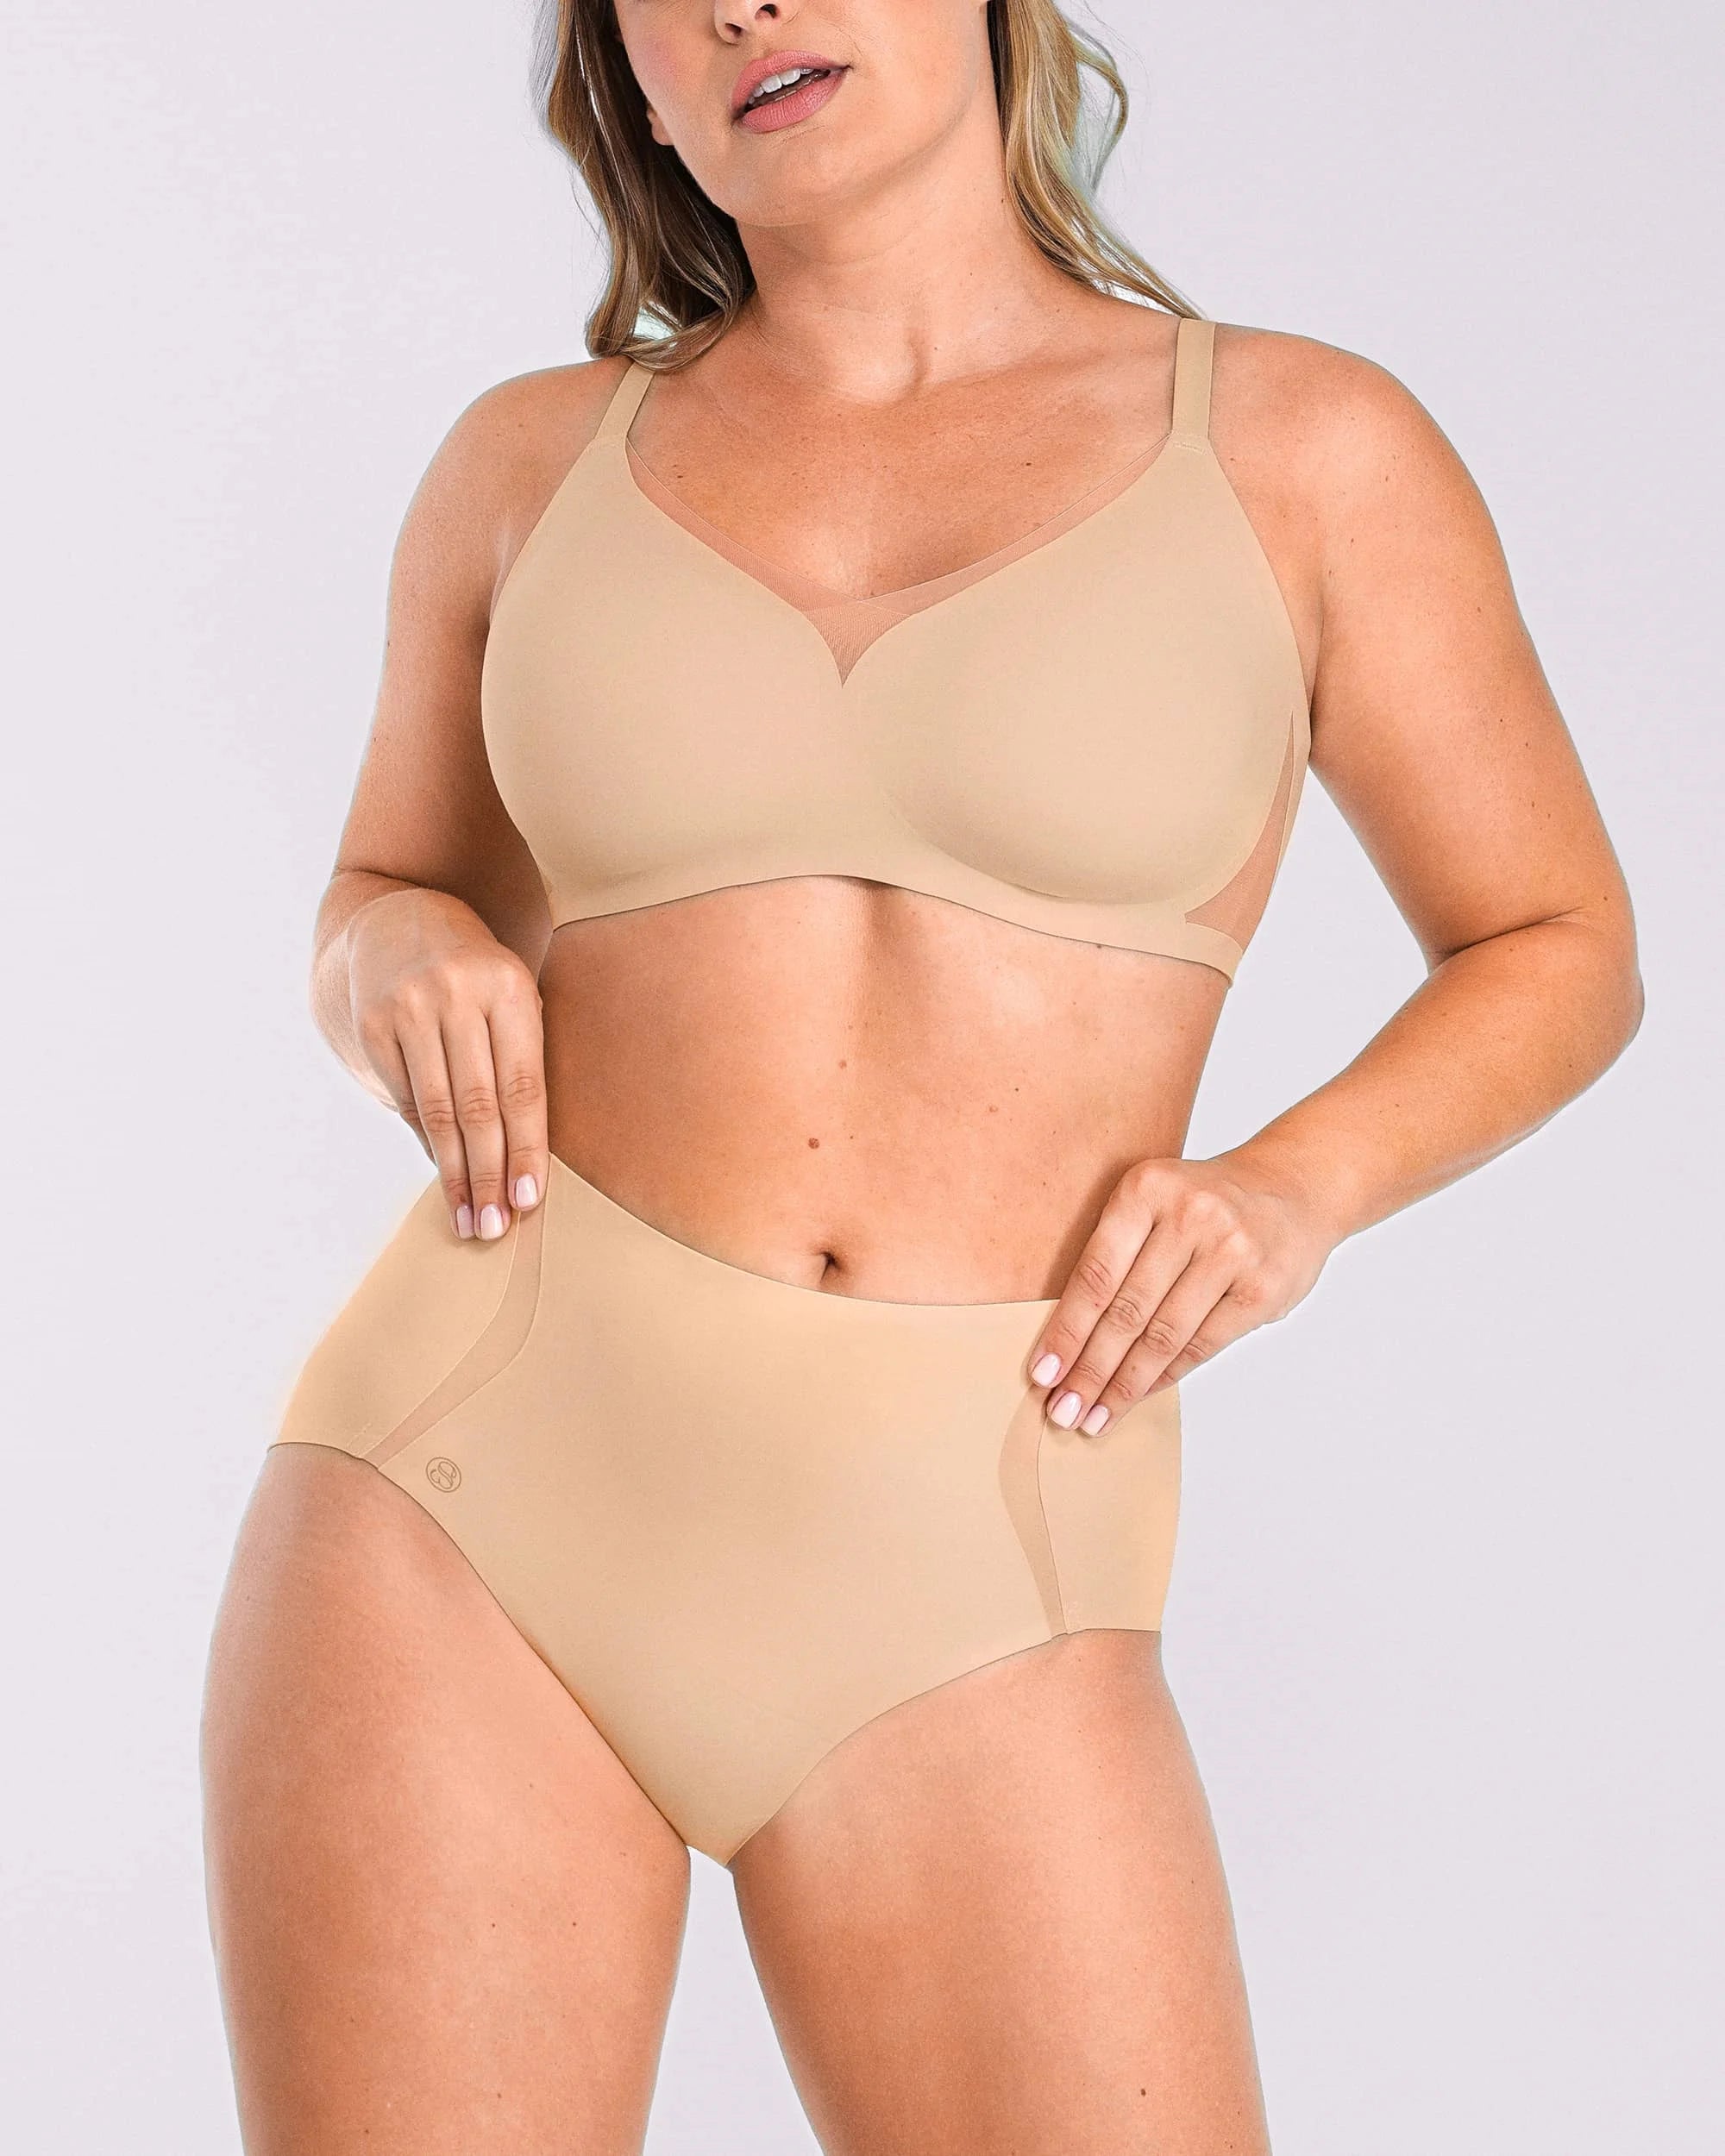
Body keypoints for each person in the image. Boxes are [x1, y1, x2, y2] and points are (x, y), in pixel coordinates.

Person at [199, 3, 1642, 2149]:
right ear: (629, 81)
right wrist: (387, 949)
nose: (744, 7)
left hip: (977, 1548)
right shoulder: (526, 464)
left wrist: (1296, 1183)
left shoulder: (1303, 451)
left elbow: (1556, 939)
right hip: (469, 1489)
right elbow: (380, 886)